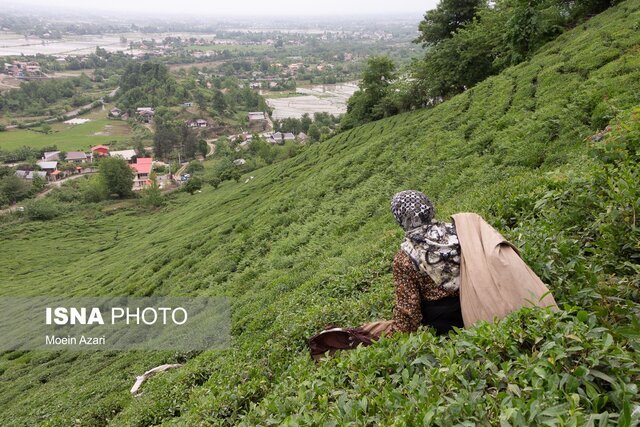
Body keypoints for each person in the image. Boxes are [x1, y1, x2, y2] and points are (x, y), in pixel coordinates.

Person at [388, 190, 464, 335]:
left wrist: (396, 337)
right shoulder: (458, 231)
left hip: (446, 324)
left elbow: (409, 309)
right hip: (478, 303)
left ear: (400, 218)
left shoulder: (405, 256)